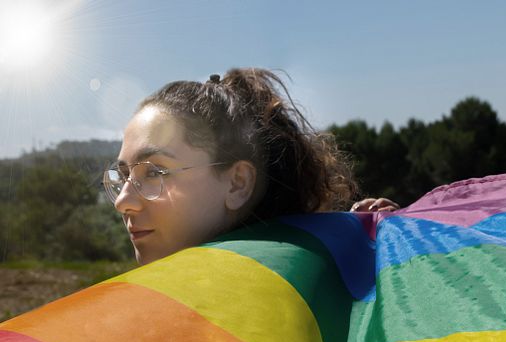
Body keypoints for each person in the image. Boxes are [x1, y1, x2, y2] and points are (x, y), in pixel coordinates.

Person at [103, 68, 397, 265]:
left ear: (237, 183)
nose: (121, 202)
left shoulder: (325, 287)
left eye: (154, 172)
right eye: (125, 175)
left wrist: (378, 247)